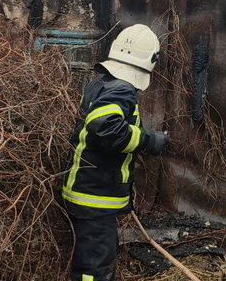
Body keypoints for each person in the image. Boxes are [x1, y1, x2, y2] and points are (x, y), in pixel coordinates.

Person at [62, 24, 169, 281]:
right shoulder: (121, 89)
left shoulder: (101, 84)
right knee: (94, 270)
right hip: (94, 198)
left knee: (92, 261)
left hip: (85, 192)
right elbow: (105, 128)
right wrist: (149, 141)